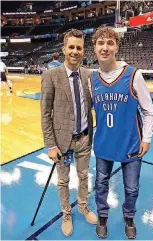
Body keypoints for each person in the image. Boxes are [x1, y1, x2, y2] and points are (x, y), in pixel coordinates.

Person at [90, 27, 153, 239]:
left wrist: (147, 138)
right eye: (101, 43)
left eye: (110, 43)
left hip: (131, 144)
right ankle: (102, 216)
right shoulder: (92, 79)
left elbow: (148, 110)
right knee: (100, 185)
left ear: (117, 46)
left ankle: (129, 216)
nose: (105, 47)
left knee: (132, 188)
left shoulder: (133, 75)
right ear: (95, 47)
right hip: (103, 144)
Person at [40, 29, 97, 237]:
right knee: (63, 181)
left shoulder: (89, 76)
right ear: (64, 49)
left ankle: (82, 206)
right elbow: (45, 113)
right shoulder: (50, 76)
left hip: (84, 138)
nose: (75, 51)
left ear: (83, 51)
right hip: (62, 142)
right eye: (71, 47)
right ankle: (66, 213)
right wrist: (50, 145)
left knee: (83, 176)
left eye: (79, 47)